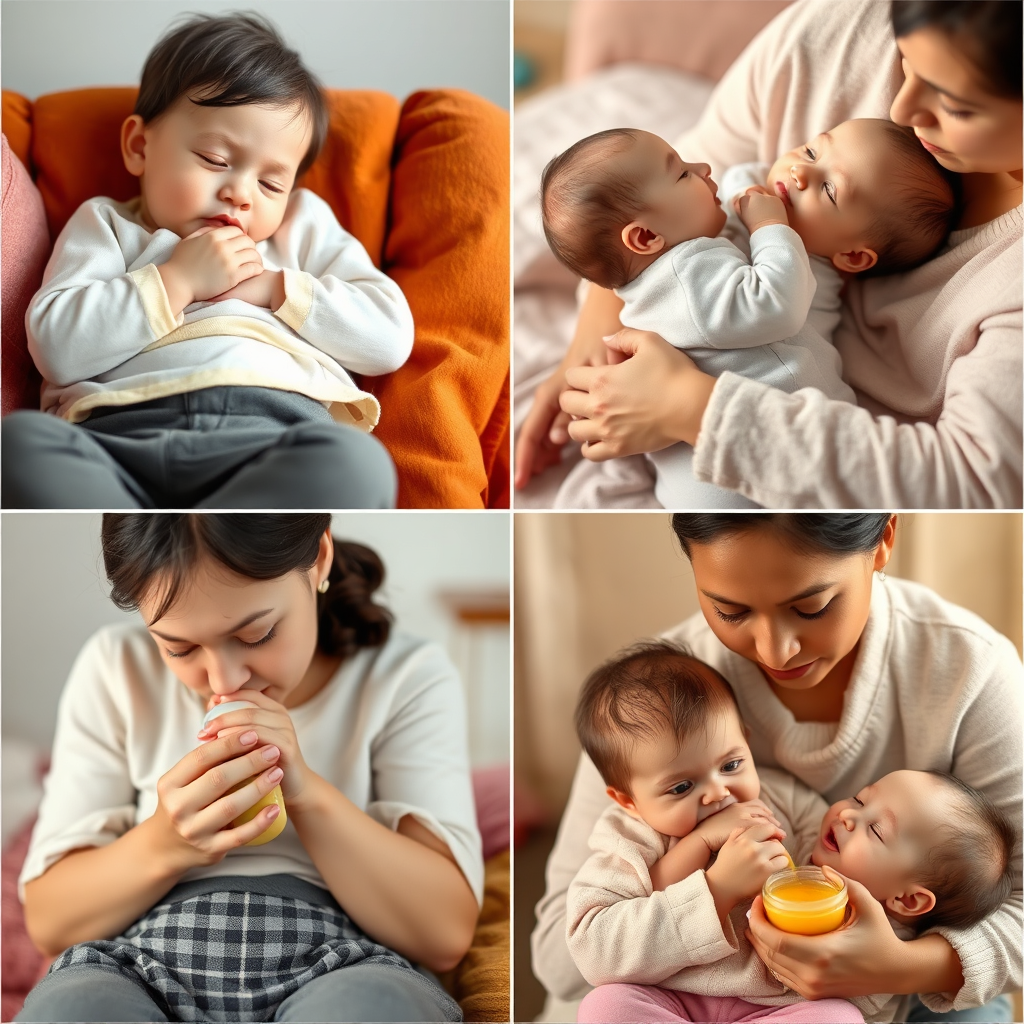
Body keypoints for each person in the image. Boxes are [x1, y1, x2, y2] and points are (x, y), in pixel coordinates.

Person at [515, 0, 1022, 508]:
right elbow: (654, 197)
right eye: (907, 63)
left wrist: (689, 408)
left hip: (781, 475)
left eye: (957, 105)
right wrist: (596, 325)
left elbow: (976, 483)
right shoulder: (844, 29)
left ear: (855, 256)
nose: (900, 110)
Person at [532, 513, 1023, 1023]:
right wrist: (697, 874)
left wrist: (898, 966)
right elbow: (564, 959)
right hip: (665, 992)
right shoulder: (648, 711)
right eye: (730, 612)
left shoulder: (974, 669)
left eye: (811, 607)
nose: (775, 650)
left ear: (883, 540)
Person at [17, 514, 480, 1023]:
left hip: (340, 966)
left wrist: (305, 791)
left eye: (257, 635)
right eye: (180, 647)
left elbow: (444, 934)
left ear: (318, 558)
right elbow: (52, 920)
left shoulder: (404, 676)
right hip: (139, 966)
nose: (225, 678)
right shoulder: (115, 668)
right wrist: (167, 841)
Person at [2, 14, 413, 509]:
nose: (239, 192)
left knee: (359, 465)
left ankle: (205, 532)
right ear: (139, 146)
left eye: (270, 184)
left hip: (273, 435)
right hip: (116, 437)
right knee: (19, 444)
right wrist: (176, 281)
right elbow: (55, 347)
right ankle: (146, 529)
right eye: (216, 160)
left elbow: (389, 337)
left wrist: (271, 288)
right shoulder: (107, 224)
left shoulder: (300, 227)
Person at [567, 640, 1015, 1024]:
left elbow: (868, 980)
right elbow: (594, 950)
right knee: (606, 1005)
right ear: (627, 799)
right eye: (681, 786)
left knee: (839, 1018)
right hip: (673, 999)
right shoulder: (626, 839)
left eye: (731, 764)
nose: (717, 792)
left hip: (782, 1011)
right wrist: (715, 884)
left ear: (745, 742)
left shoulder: (789, 809)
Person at [538, 118, 956, 508]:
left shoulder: (696, 237)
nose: (798, 173)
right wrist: (769, 228)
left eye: (828, 189)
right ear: (646, 237)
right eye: (810, 152)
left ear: (852, 256)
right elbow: (773, 306)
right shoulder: (687, 269)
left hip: (767, 453)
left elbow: (728, 188)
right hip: (733, 484)